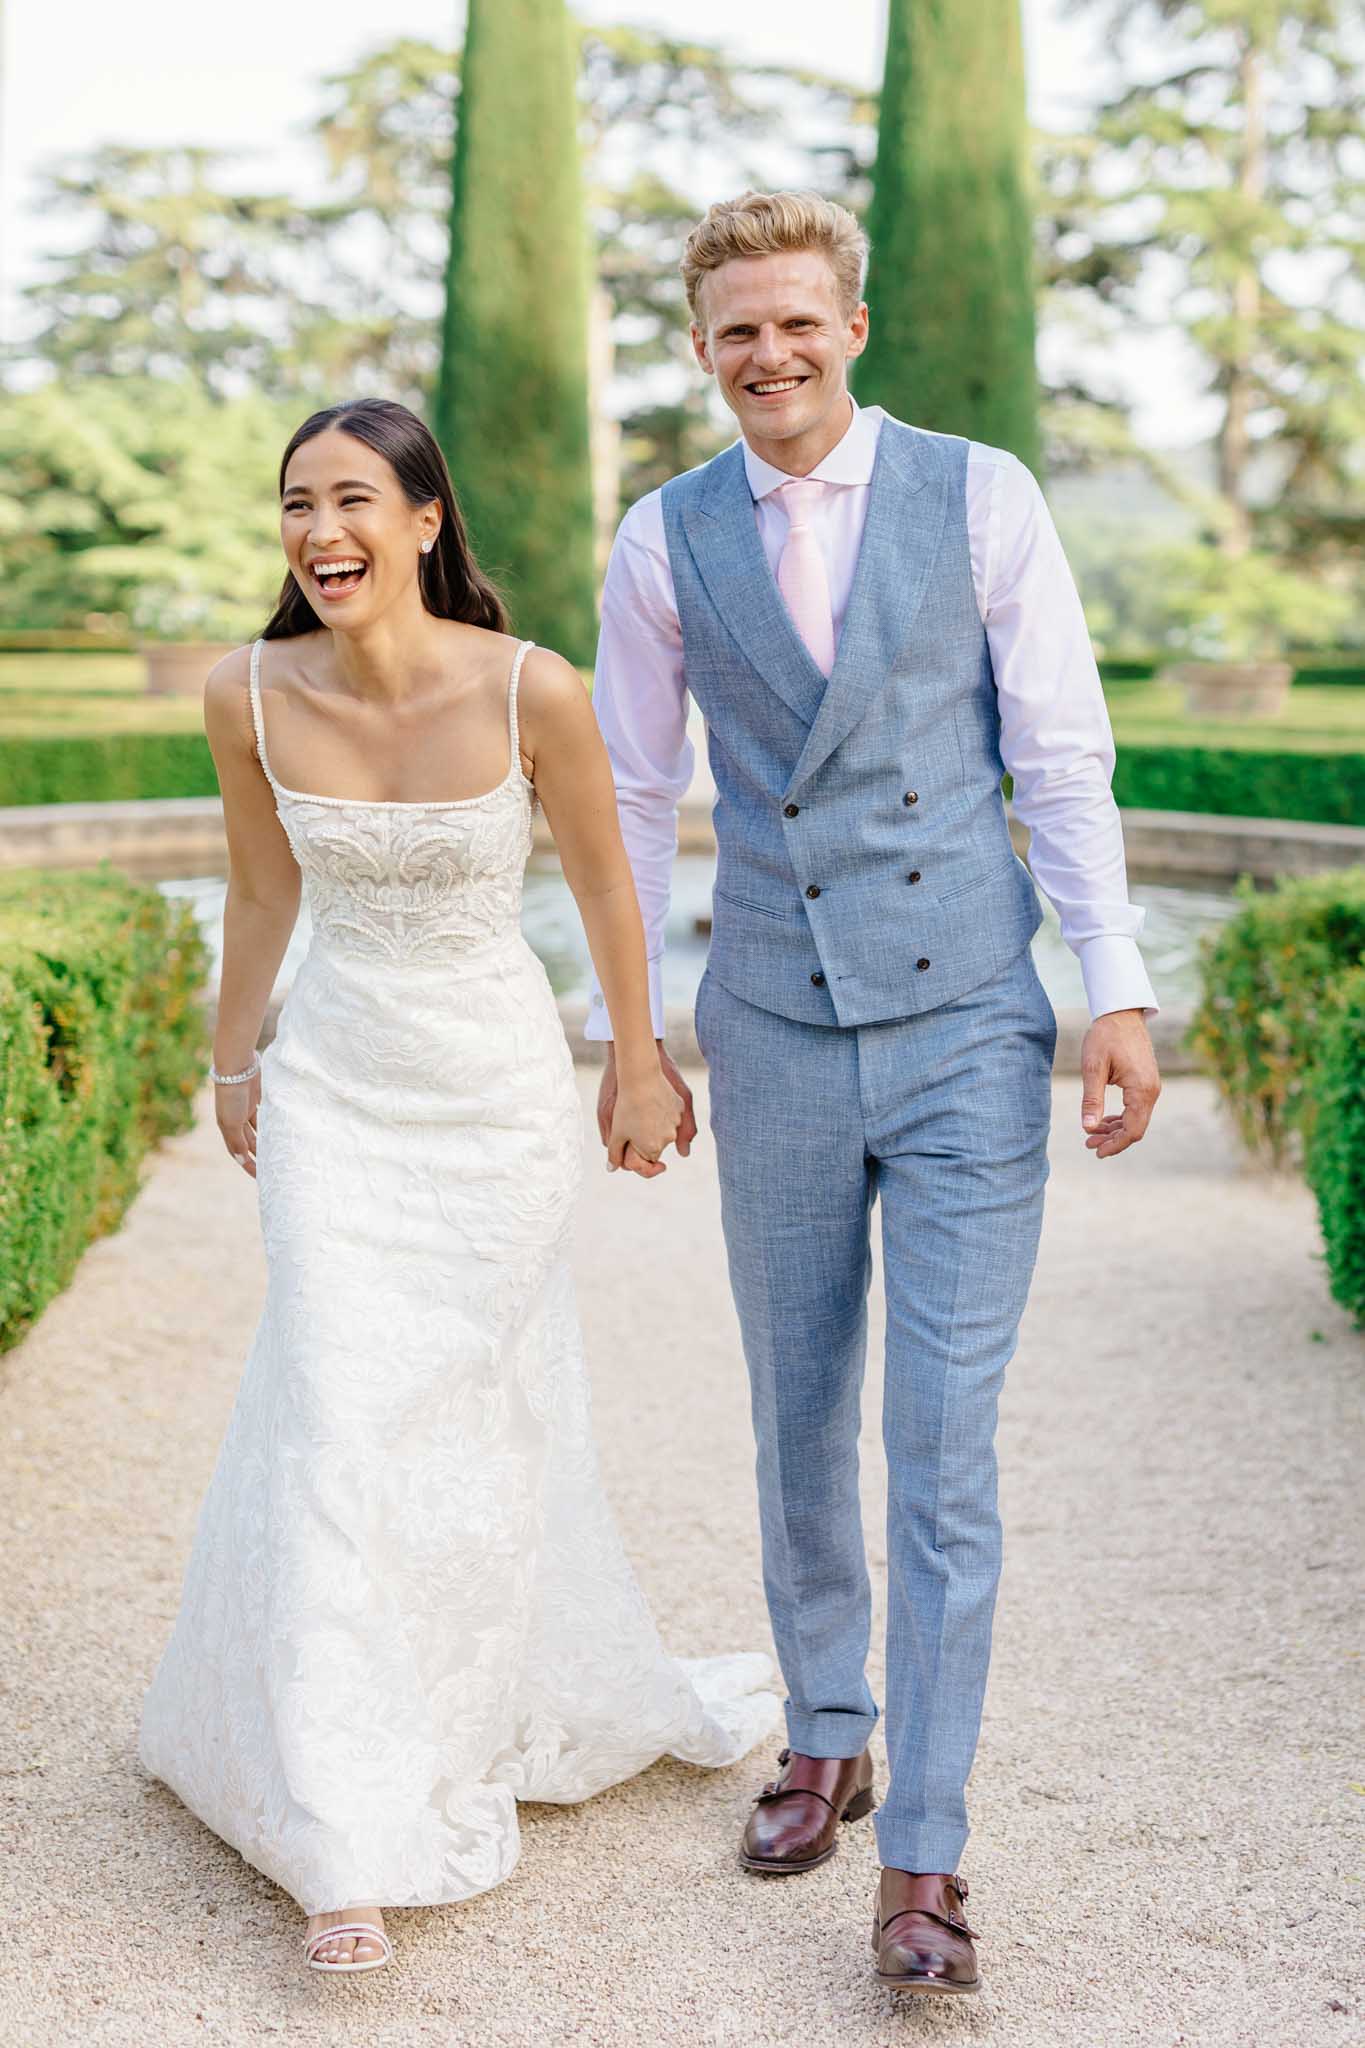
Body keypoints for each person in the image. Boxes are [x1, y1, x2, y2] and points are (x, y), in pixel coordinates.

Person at [586, 190, 1162, 1996]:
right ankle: (823, 1731)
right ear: (701, 347)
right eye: (734, 328)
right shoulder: (664, 535)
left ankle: (922, 1856)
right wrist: (629, 1034)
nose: (769, 353)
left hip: (969, 1027)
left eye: (796, 320)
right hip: (766, 1015)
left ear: (853, 321)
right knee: (792, 1405)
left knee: (941, 1448)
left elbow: (1060, 753)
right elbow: (618, 795)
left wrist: (1116, 992)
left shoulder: (980, 494)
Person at [136, 396, 778, 1976]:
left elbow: (606, 877)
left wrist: (636, 1056)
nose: (318, 530)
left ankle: (465, 1695)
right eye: (295, 503)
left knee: (476, 1407)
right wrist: (236, 1068)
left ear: (426, 519)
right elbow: (263, 881)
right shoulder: (248, 693)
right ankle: (341, 1819)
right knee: (338, 1409)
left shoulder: (528, 690)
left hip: (491, 1100)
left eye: (351, 498)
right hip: (338, 1091)